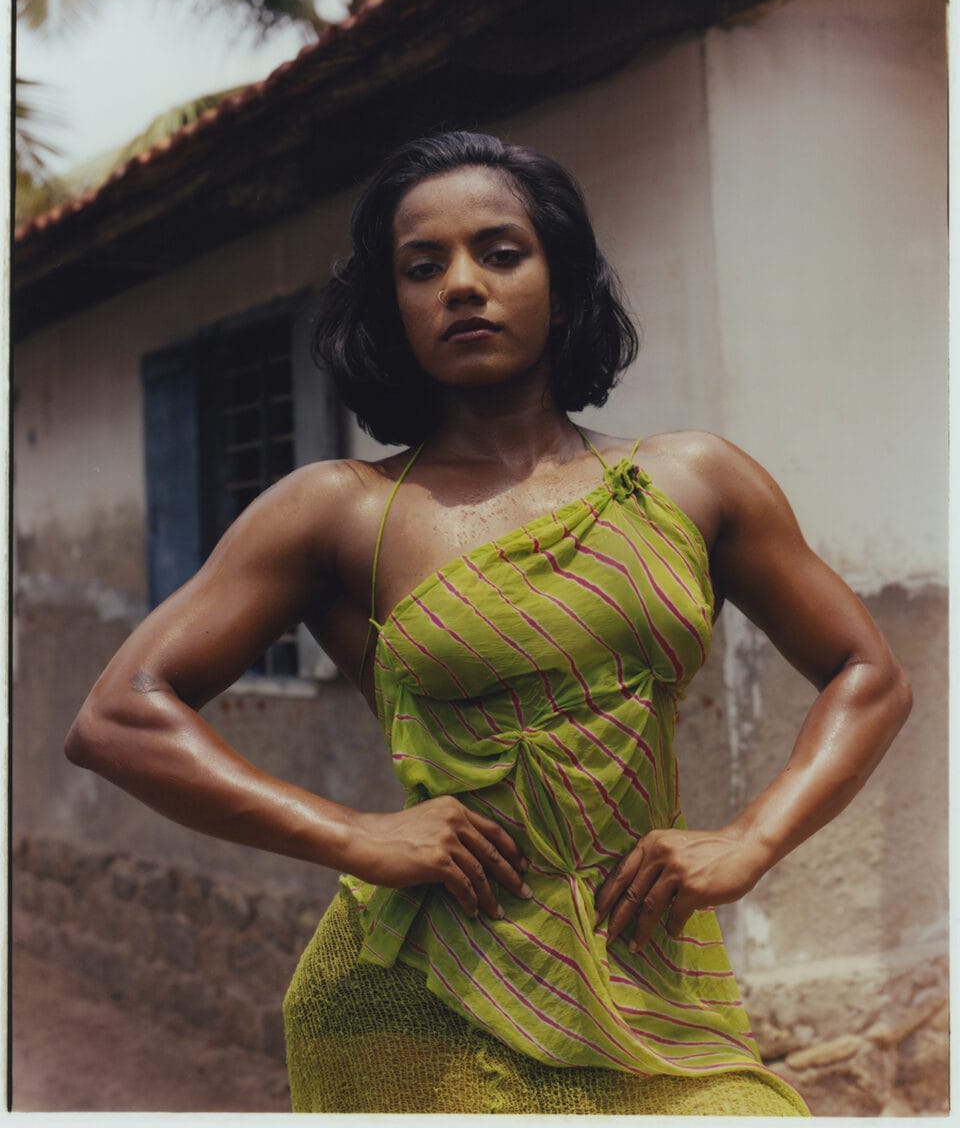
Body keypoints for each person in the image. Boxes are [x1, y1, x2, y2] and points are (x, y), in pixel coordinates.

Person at [66, 131, 911, 1116]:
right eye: (423, 267)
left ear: (563, 277)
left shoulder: (694, 479)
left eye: (500, 252)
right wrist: (355, 832)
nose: (463, 284)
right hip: (418, 996)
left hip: (644, 973)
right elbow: (119, 716)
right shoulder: (341, 510)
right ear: (394, 307)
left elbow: (870, 673)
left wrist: (753, 838)